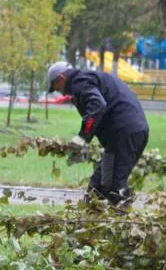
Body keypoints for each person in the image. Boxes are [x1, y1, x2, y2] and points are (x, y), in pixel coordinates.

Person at [46, 60, 150, 205]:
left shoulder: (79, 83)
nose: (58, 91)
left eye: (56, 86)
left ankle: (124, 221)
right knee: (98, 188)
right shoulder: (85, 80)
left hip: (125, 134)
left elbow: (97, 105)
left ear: (62, 79)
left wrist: (83, 137)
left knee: (115, 187)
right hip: (121, 136)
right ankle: (93, 220)